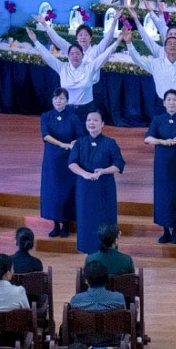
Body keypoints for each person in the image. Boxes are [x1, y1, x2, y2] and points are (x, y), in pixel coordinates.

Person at [67, 110, 125, 259]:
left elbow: (119, 164)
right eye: (88, 120)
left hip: (104, 188)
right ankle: (89, 253)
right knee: (86, 218)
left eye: (95, 120)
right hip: (85, 188)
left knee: (105, 219)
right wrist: (84, 174)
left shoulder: (110, 142)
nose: (91, 123)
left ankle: (109, 251)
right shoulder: (80, 142)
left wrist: (104, 171)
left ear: (102, 124)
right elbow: (72, 163)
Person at [143, 89, 176, 243]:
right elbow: (148, 139)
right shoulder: (158, 119)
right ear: (164, 102)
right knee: (162, 195)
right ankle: (165, 229)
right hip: (161, 164)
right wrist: (163, 142)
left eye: (174, 100)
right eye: (169, 100)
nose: (171, 102)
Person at [37, 88, 83, 238]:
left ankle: (66, 225)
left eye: (62, 99)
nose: (59, 101)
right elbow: (46, 135)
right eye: (56, 98)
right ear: (52, 100)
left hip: (68, 159)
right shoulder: (46, 116)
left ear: (67, 101)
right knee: (52, 191)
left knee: (67, 190)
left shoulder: (73, 117)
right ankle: (55, 224)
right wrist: (62, 144)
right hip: (52, 159)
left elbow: (80, 136)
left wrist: (73, 144)